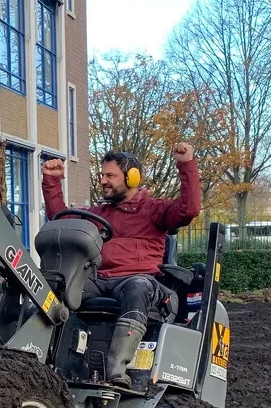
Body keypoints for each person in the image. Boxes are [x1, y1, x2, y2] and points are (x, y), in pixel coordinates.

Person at [41, 145, 201, 387]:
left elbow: (189, 209)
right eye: (102, 175)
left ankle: (117, 368)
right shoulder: (98, 214)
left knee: (138, 286)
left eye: (110, 176)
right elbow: (63, 221)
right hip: (98, 280)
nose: (103, 181)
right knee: (59, 287)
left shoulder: (154, 210)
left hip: (139, 282)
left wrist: (186, 164)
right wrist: (52, 182)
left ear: (132, 177)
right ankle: (49, 361)